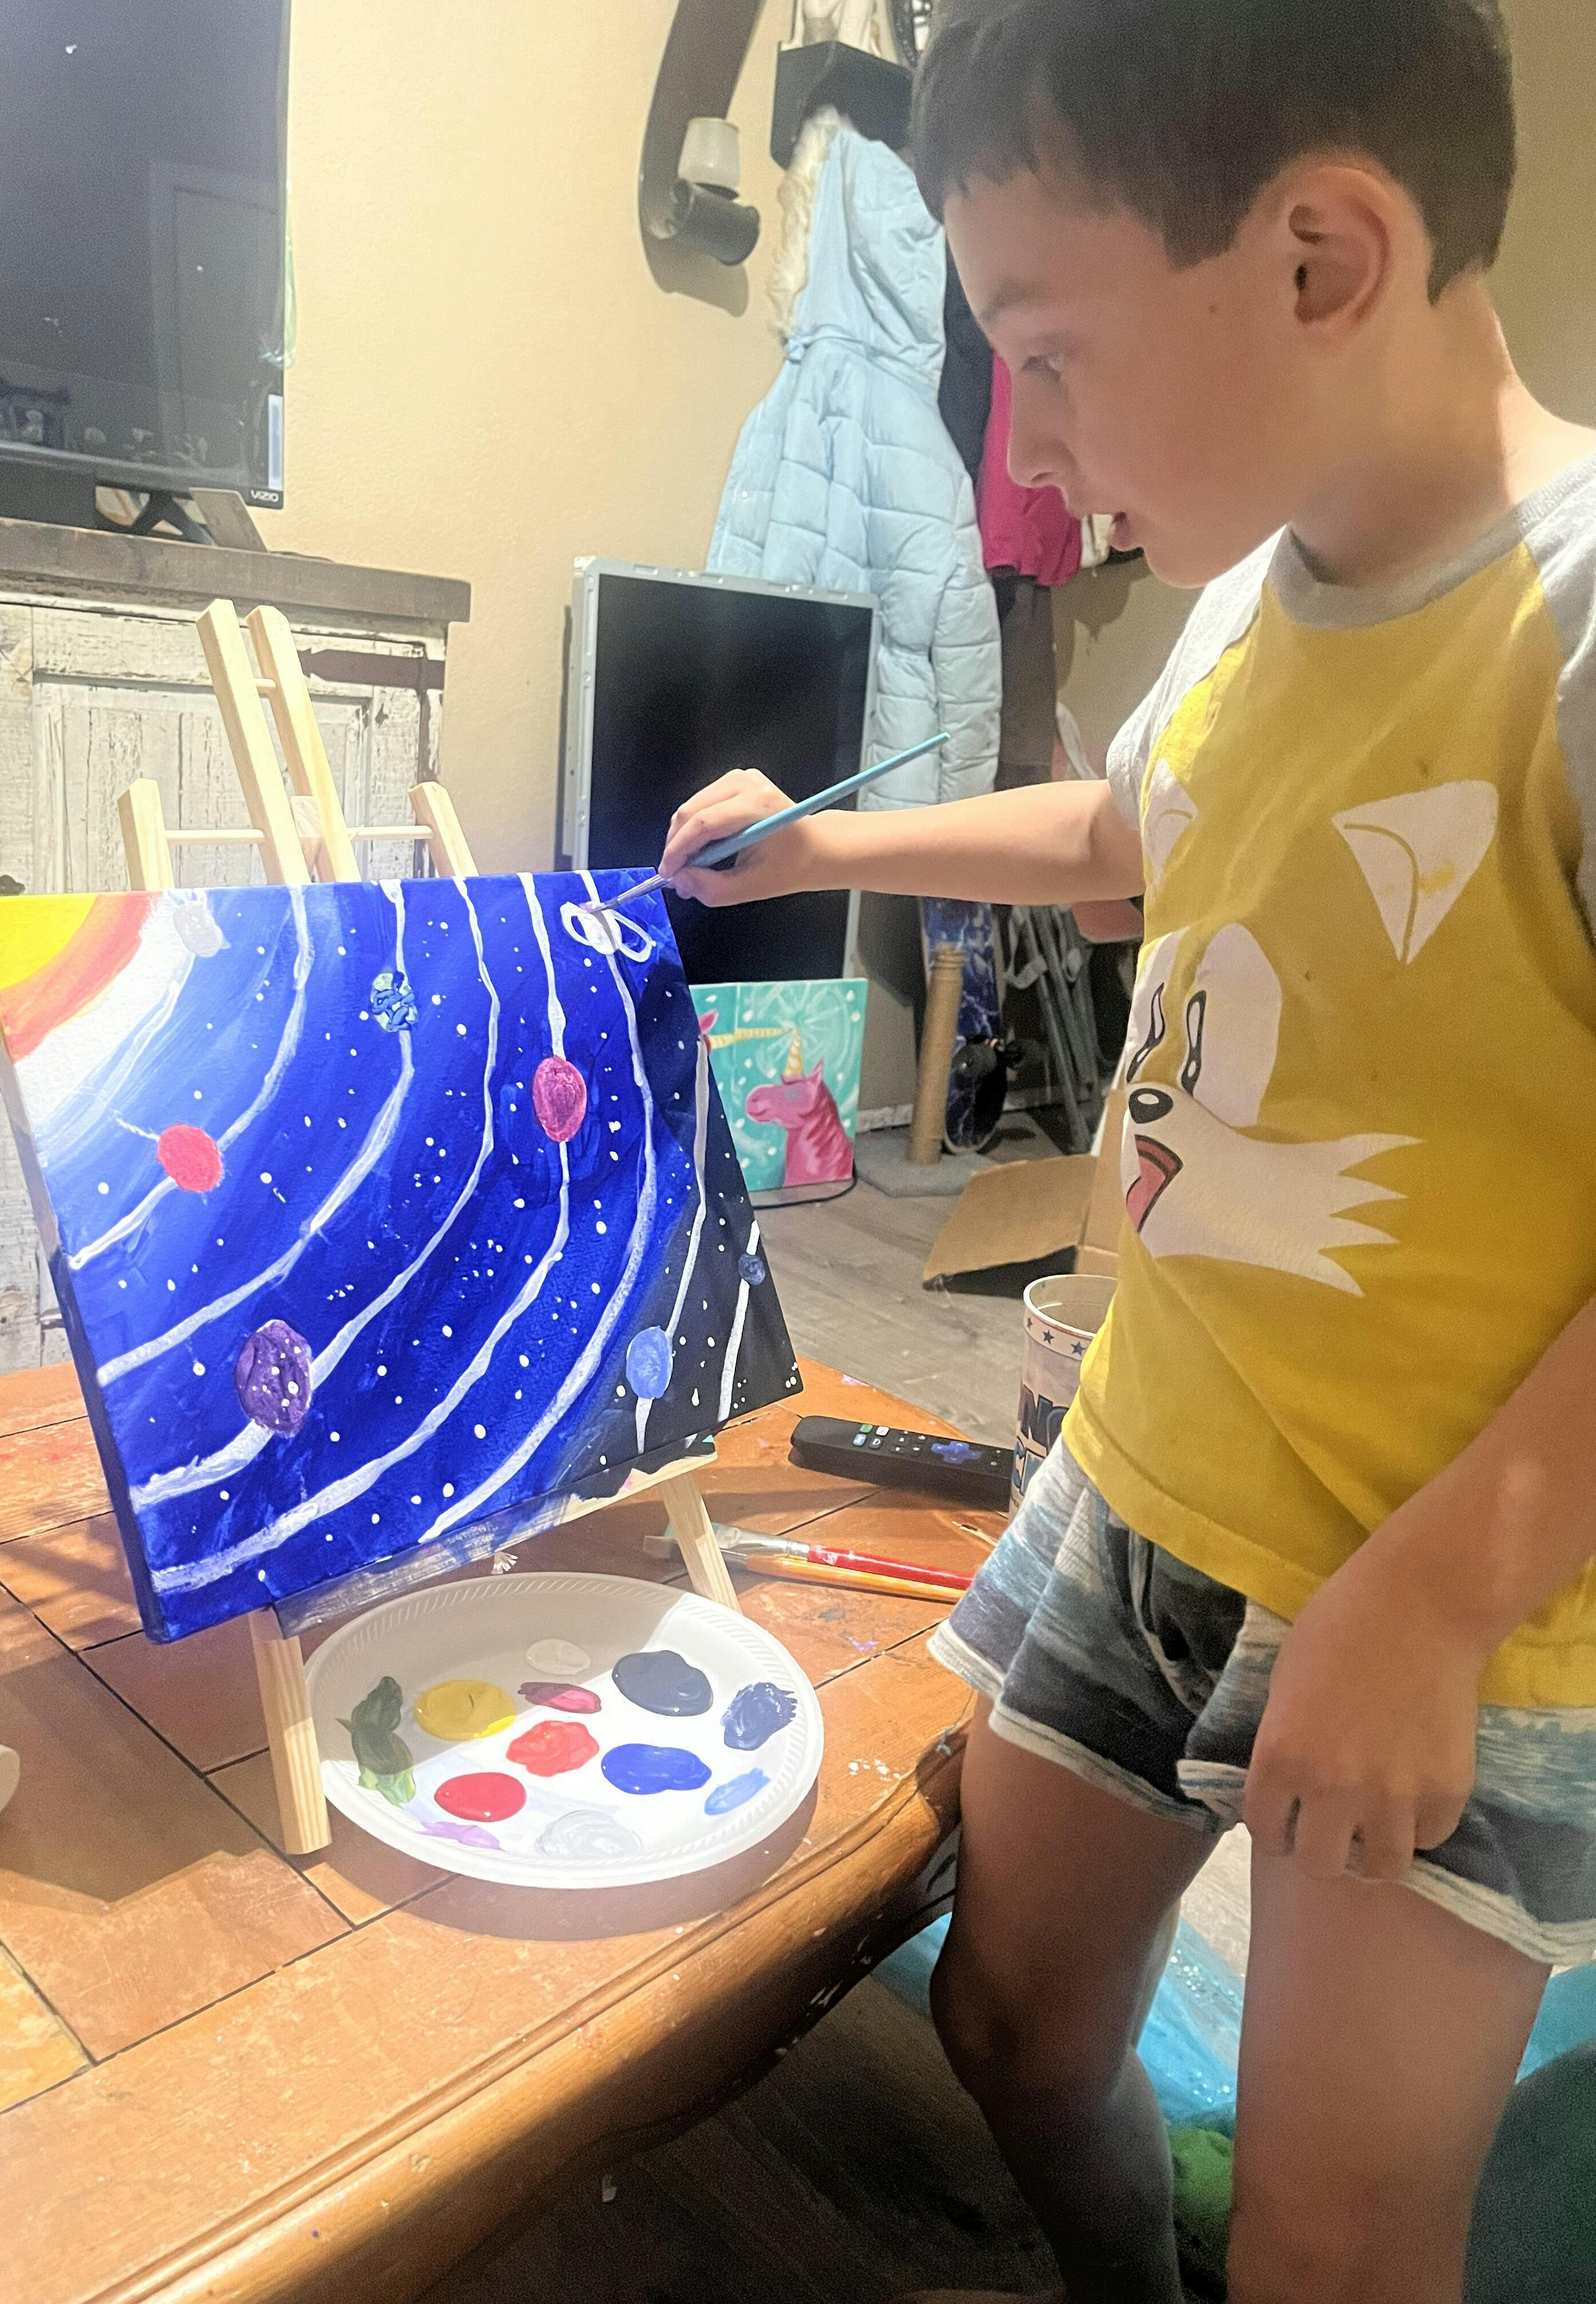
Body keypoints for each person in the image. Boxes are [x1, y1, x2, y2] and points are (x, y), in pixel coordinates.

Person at [657, 5, 1596, 2299]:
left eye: (1048, 356)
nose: (1030, 446)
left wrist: (1437, 1600)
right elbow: (1120, 838)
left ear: (1320, 261)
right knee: (1009, 2019)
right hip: (1146, 1475)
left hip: (1454, 1592)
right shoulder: (1248, 596)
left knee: (1333, 2241)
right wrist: (814, 851)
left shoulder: (1570, 630)